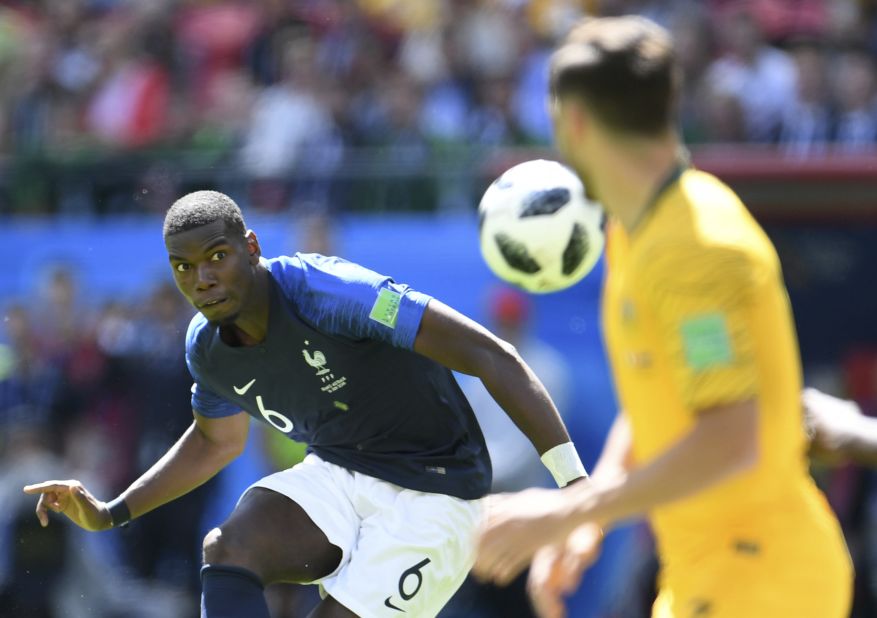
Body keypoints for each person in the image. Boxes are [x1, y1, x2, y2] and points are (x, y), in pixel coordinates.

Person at [22, 190, 587, 618]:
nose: (203, 279)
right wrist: (111, 511)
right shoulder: (208, 349)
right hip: (339, 473)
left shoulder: (327, 291)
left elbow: (491, 355)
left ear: (251, 248)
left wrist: (579, 495)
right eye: (184, 267)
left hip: (438, 495)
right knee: (228, 547)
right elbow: (216, 441)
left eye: (217, 256)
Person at [473, 15, 852, 618]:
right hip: (713, 574)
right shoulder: (639, 228)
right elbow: (666, 398)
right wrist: (589, 516)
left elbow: (729, 437)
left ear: (573, 122)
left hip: (761, 580)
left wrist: (565, 510)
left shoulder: (691, 250)